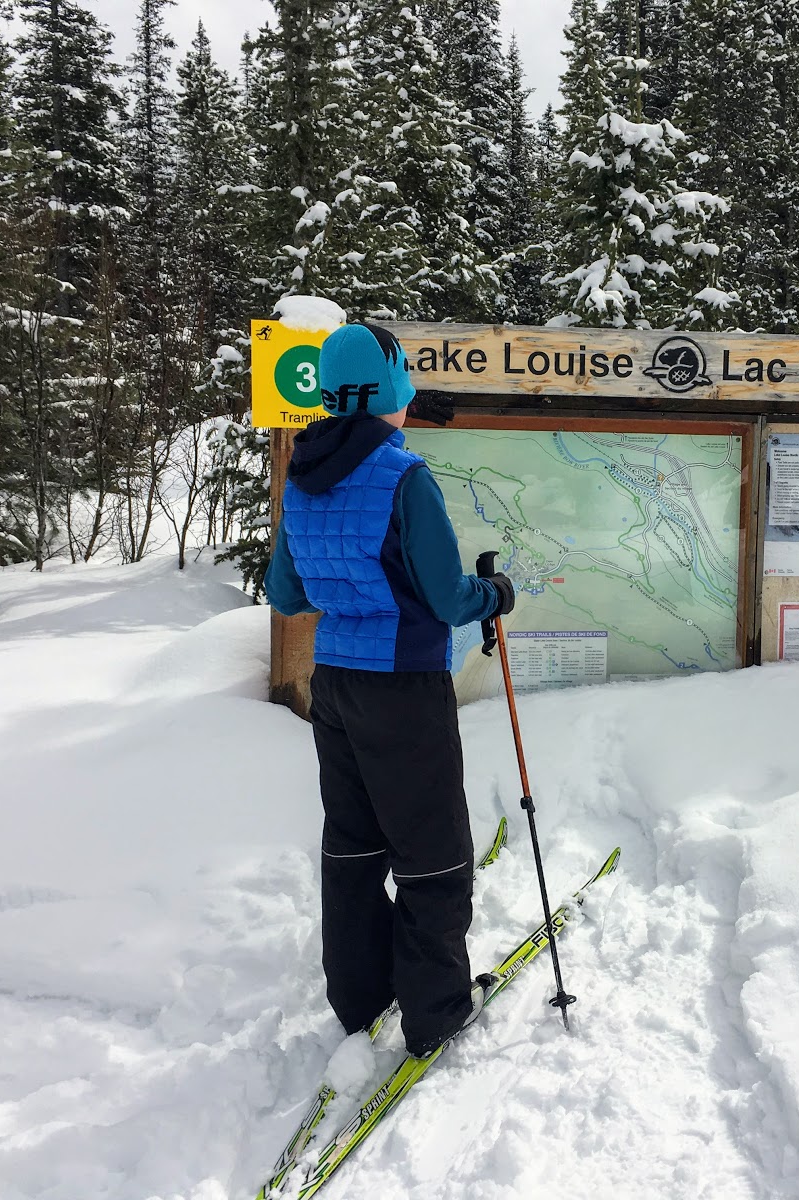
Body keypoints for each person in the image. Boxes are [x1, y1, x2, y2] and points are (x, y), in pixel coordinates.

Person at [263, 321, 515, 1058]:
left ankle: (359, 996)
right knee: (433, 852)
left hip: (334, 688)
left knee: (352, 845)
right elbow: (444, 597)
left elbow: (285, 593)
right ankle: (435, 1011)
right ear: (387, 393)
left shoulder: (303, 479)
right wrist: (494, 593)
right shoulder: (405, 478)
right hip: (403, 688)